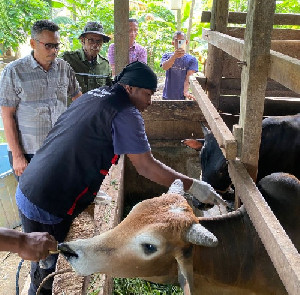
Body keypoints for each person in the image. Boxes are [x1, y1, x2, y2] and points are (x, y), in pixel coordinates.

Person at [16, 61, 226, 294]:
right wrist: (194, 186)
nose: (149, 102)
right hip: (47, 201)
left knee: (42, 257)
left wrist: (90, 191)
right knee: (48, 266)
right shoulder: (126, 113)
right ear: (129, 89)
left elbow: (80, 143)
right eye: (147, 94)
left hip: (30, 185)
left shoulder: (94, 95)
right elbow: (146, 166)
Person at [0, 20, 82, 180]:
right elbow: (6, 115)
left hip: (59, 148)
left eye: (57, 45)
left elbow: (79, 100)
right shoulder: (14, 72)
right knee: (31, 202)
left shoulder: (64, 68)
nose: (54, 50)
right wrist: (17, 157)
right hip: (28, 153)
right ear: (33, 43)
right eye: (49, 45)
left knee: (59, 196)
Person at [61, 21, 112, 95]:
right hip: (73, 106)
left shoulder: (105, 65)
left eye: (99, 41)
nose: (95, 45)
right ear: (82, 40)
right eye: (91, 40)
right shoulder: (68, 59)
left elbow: (109, 90)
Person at [161, 31, 198, 100]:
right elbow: (164, 67)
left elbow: (188, 78)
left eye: (181, 41)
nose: (178, 43)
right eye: (176, 41)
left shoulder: (192, 59)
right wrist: (174, 56)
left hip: (182, 97)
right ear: (173, 43)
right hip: (167, 96)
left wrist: (185, 92)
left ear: (186, 42)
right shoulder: (167, 55)